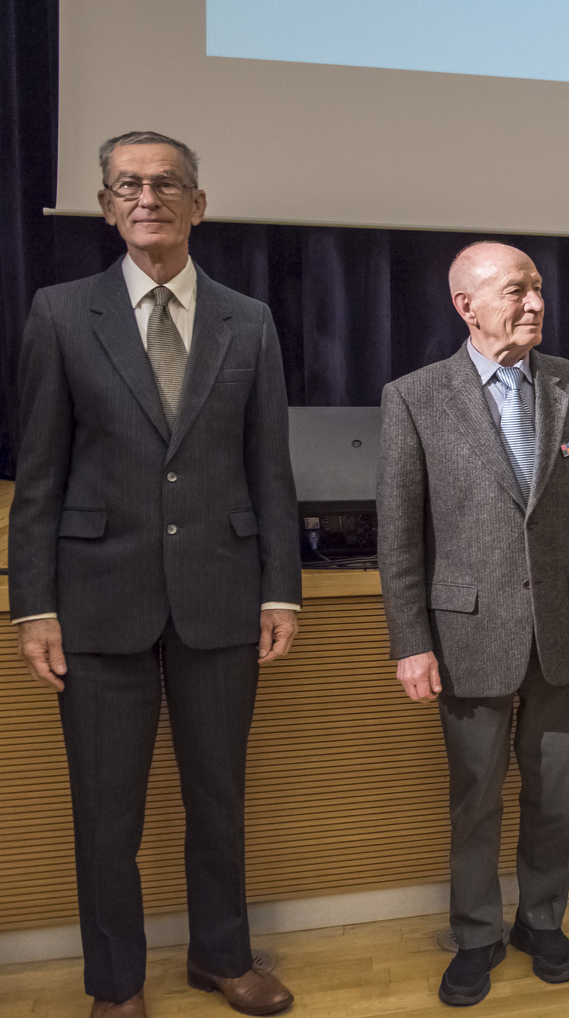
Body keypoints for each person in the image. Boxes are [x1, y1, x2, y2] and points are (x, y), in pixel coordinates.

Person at [10, 131, 300, 1017]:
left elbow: (270, 470)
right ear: (106, 207)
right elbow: (39, 475)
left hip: (222, 594)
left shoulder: (248, 319)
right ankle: (117, 984)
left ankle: (222, 957)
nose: (148, 197)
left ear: (197, 205)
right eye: (128, 185)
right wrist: (32, 606)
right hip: (98, 602)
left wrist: (280, 587)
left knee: (219, 799)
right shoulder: (62, 313)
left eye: (166, 183)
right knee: (107, 814)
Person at [377, 241, 569, 1006]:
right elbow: (399, 536)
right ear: (467, 306)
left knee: (554, 796)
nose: (535, 303)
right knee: (474, 800)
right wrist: (411, 642)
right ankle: (477, 934)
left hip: (563, 630)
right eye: (516, 290)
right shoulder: (415, 398)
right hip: (466, 637)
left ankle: (542, 921)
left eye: (538, 288)